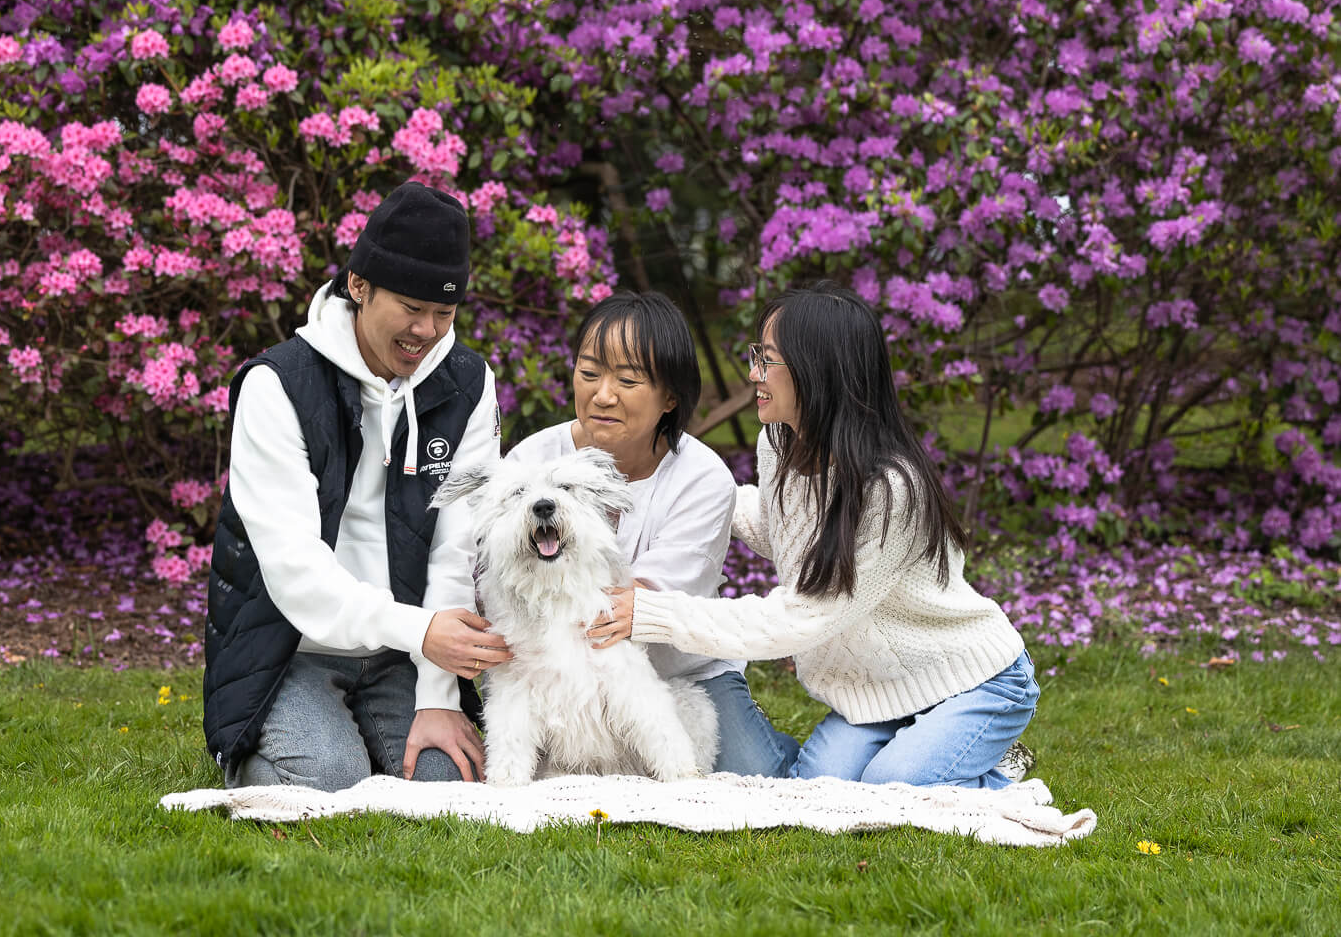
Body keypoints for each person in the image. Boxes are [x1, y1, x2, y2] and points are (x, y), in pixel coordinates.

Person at [590, 282, 1038, 788]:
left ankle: (996, 764)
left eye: (768, 360)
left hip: (969, 682)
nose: (753, 374)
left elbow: (802, 616)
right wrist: (687, 496)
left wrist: (653, 612)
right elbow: (781, 527)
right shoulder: (779, 445)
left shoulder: (892, 490)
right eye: (756, 355)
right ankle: (922, 746)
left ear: (818, 369)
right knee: (815, 787)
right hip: (874, 694)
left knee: (890, 788)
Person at [204, 181, 511, 791]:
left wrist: (438, 694)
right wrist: (419, 630)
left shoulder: (469, 383)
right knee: (328, 775)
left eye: (443, 314)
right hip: (287, 644)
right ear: (359, 286)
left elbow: (457, 547)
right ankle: (260, 748)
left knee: (446, 782)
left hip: (402, 651)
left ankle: (374, 730)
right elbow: (295, 573)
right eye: (410, 308)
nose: (425, 331)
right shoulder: (276, 384)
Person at [509, 290, 799, 777]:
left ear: (670, 396)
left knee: (756, 776)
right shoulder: (531, 463)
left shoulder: (702, 479)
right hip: (554, 675)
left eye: (627, 379)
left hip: (682, 673)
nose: (602, 394)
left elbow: (628, 609)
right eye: (588, 373)